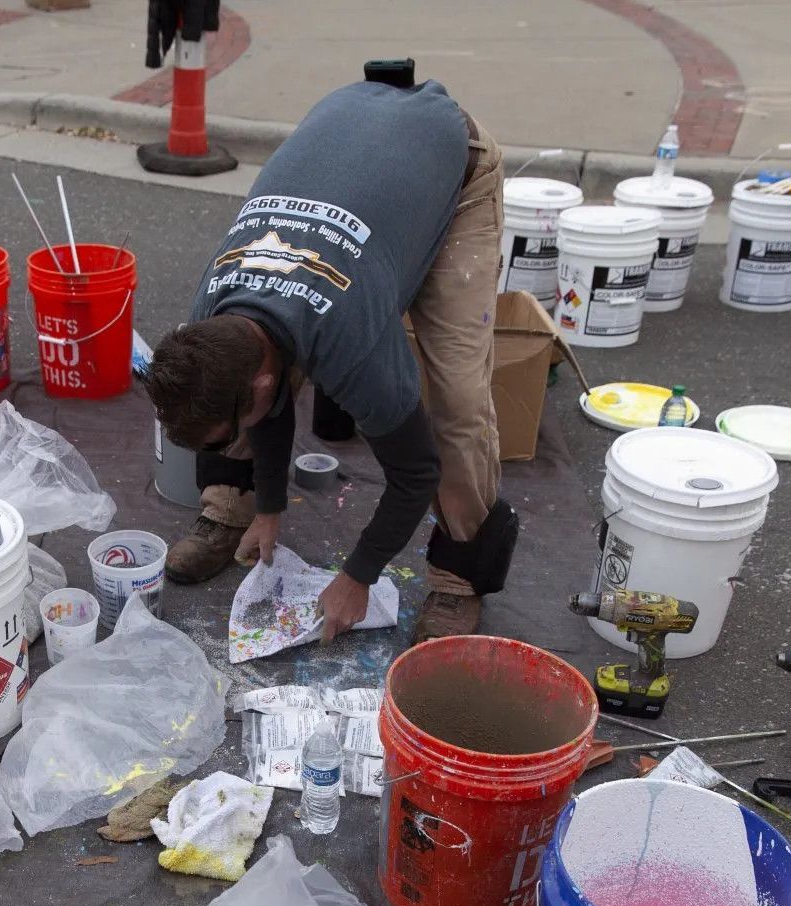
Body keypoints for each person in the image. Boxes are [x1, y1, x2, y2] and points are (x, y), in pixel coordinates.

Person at [145, 77, 518, 644]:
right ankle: (233, 506)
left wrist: (359, 574)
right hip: (357, 144)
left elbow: (414, 473)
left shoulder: (349, 340)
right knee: (221, 396)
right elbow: (260, 402)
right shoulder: (212, 316)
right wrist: (270, 505)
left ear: (269, 380)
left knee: (457, 403)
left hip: (451, 163)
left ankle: (460, 575)